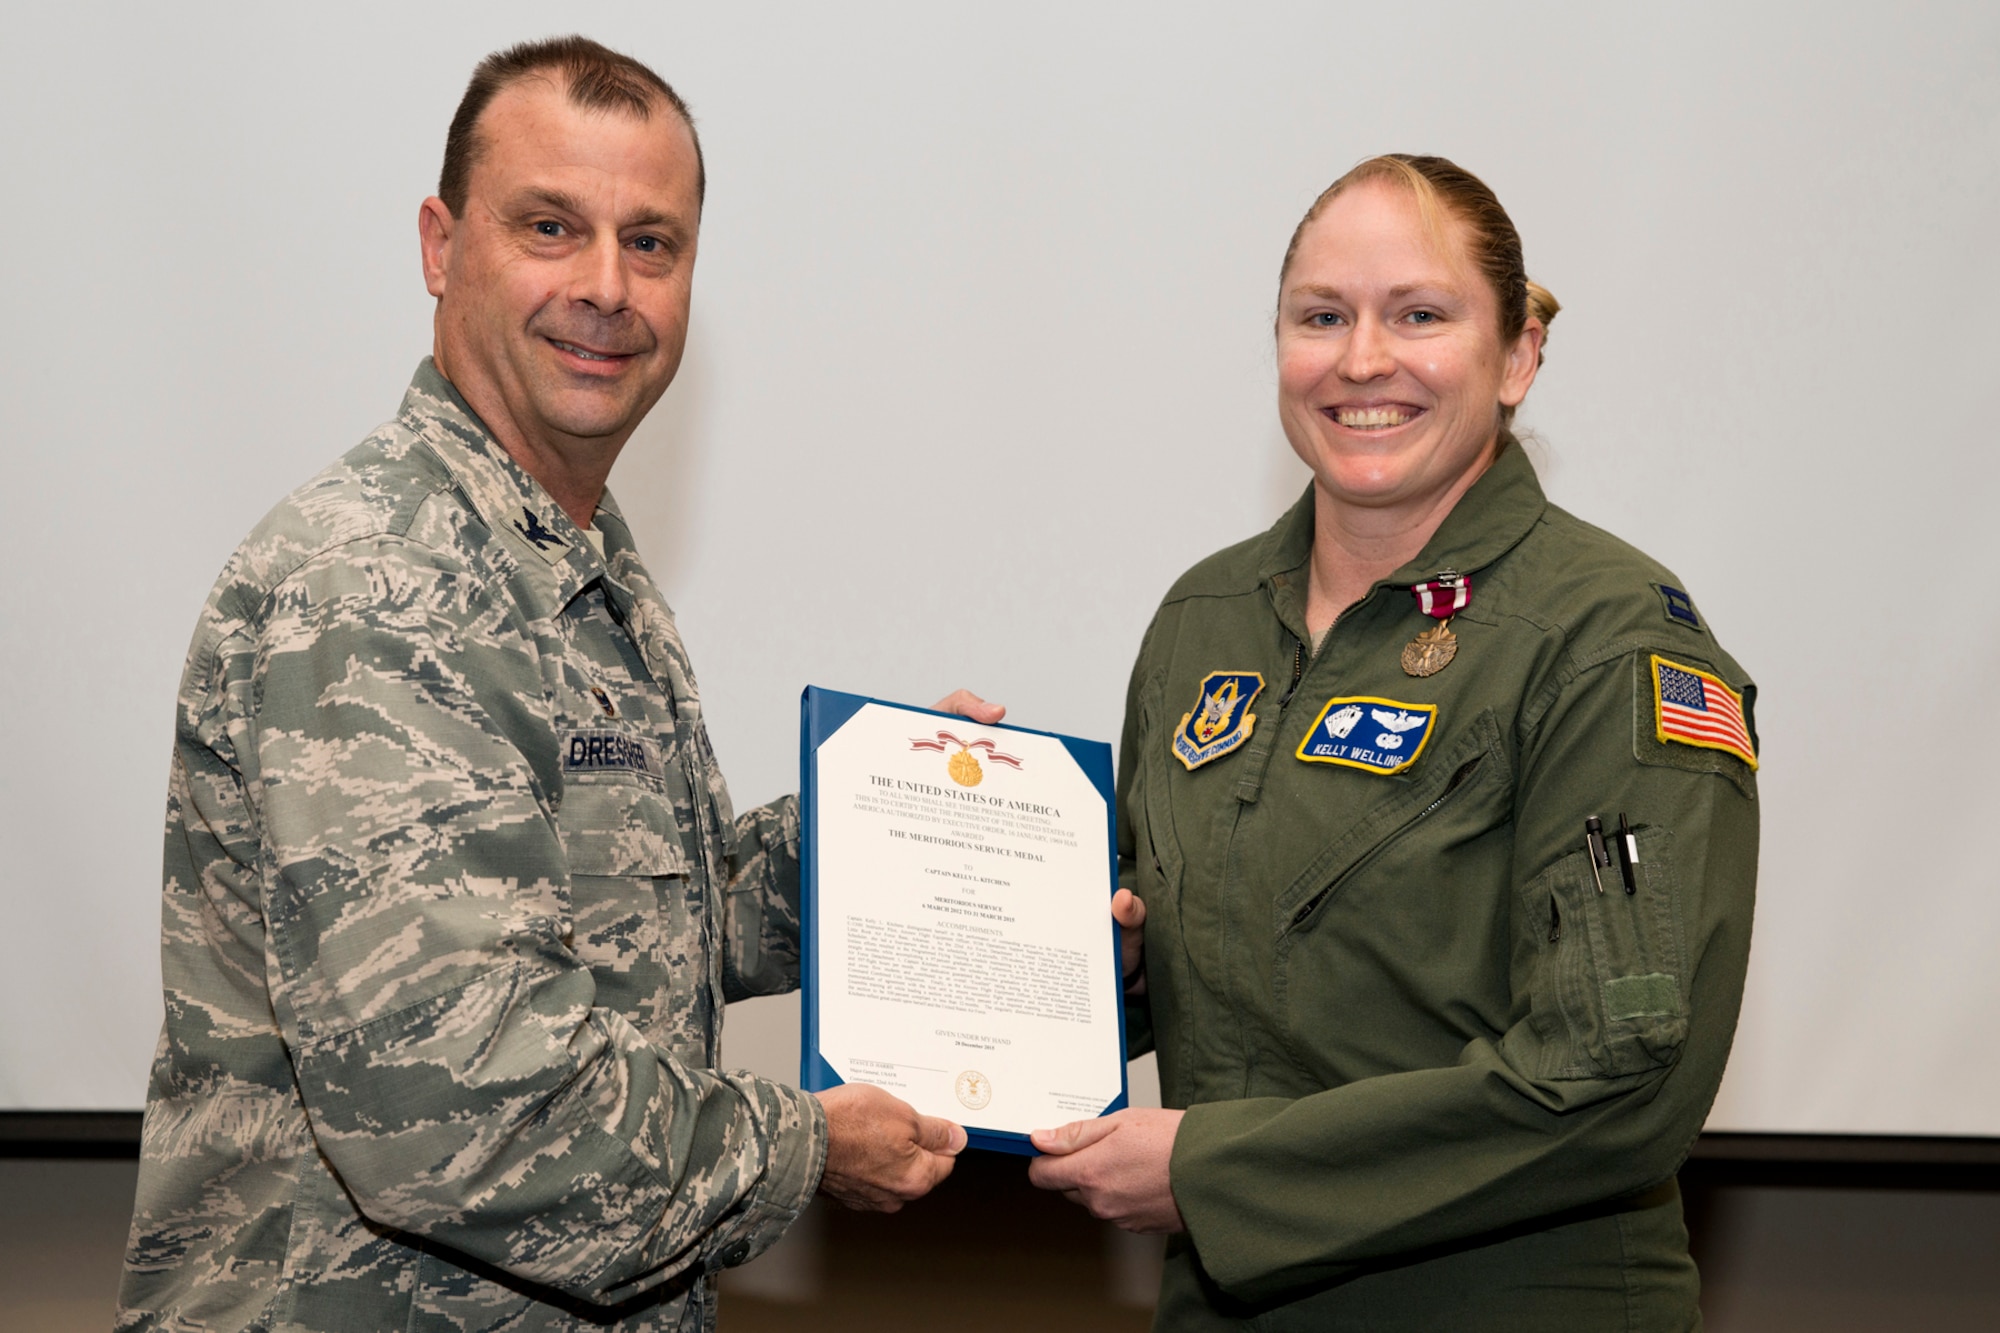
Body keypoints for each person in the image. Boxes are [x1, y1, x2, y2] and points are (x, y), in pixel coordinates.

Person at [118, 35, 992, 1332]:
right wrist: (811, 1143)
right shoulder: (378, 583)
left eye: (653, 244)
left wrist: (886, 834)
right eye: (550, 226)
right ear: (439, 243)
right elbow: (462, 1113)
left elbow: (643, 928)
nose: (606, 287)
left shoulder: (577, 560)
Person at [1029, 154, 1758, 1330]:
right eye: (1321, 317)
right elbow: (1228, 972)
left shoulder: (1608, 640)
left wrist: (1213, 1173)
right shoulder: (1200, 622)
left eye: (1418, 314)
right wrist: (1063, 953)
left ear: (1518, 353)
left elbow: (1618, 1080)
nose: (1361, 359)